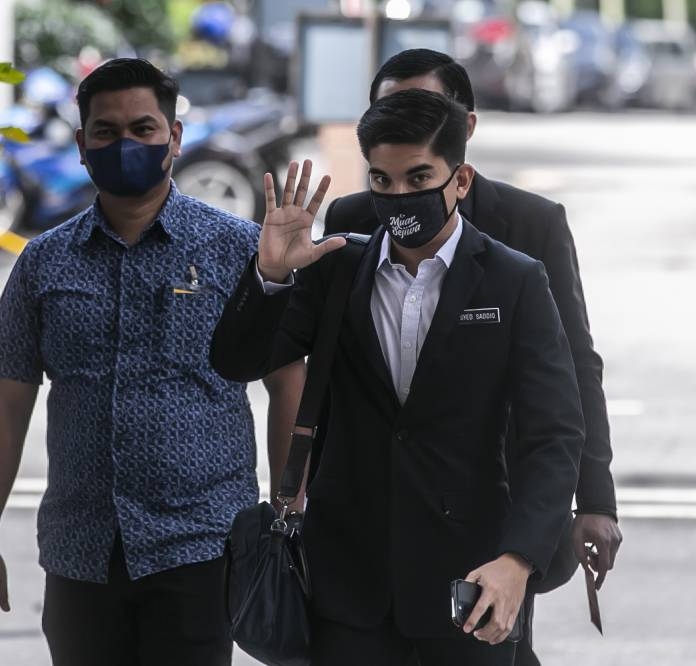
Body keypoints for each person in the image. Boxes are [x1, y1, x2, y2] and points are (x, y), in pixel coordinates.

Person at [210, 89, 584, 665]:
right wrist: (270, 276)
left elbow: (555, 436)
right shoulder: (334, 267)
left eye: (418, 178)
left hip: (471, 586)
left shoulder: (514, 281)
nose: (399, 196)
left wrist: (519, 560)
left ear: (460, 180)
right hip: (347, 590)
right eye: (381, 181)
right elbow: (236, 362)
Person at [0, 58, 305, 665]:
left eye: (143, 128)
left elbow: (290, 382)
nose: (126, 144)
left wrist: (289, 515)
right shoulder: (42, 264)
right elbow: (7, 408)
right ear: (82, 146)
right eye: (107, 133)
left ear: (175, 138)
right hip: (79, 553)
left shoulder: (239, 249)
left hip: (201, 549)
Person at [324, 50, 621, 664]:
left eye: (424, 112)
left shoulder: (527, 225)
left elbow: (572, 369)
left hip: (494, 506)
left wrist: (594, 499)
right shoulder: (352, 223)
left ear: (464, 133)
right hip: (366, 531)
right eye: (389, 113)